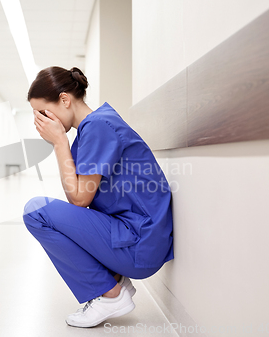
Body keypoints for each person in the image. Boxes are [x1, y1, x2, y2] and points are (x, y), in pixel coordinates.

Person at [23, 66, 174, 328]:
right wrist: (63, 143)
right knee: (51, 214)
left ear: (65, 100)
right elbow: (79, 200)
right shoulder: (90, 130)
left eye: (43, 112)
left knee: (36, 211)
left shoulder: (98, 126)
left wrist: (60, 143)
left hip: (141, 243)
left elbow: (79, 199)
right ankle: (112, 281)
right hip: (137, 238)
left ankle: (110, 294)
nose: (41, 121)